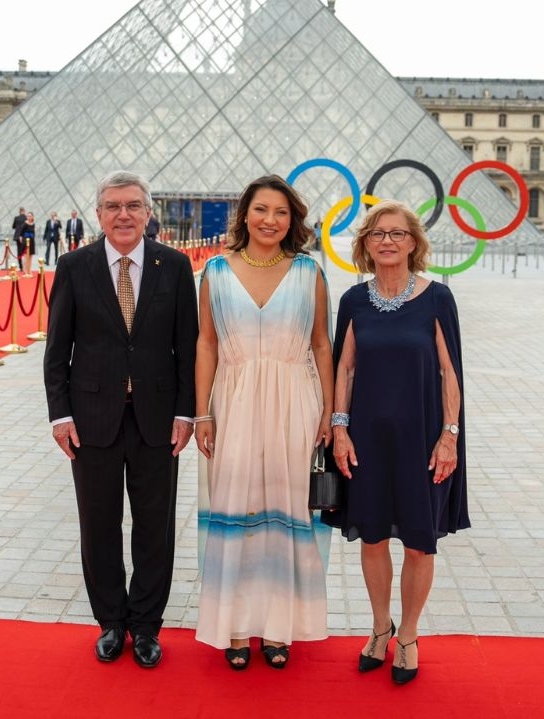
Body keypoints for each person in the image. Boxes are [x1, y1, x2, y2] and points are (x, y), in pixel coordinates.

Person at [44, 170, 197, 669]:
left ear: (148, 212)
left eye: (133, 205)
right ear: (99, 214)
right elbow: (57, 349)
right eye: (113, 206)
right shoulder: (74, 265)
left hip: (156, 418)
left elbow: (187, 347)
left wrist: (185, 411)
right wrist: (60, 415)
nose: (124, 214)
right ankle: (110, 621)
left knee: (155, 527)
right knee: (99, 525)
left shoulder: (173, 266)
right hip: (91, 419)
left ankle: (146, 625)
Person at [323, 200, 468, 686]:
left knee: (420, 544)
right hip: (366, 438)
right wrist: (339, 429)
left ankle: (408, 634)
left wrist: (449, 437)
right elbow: (344, 367)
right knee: (372, 536)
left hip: (423, 438)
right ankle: (379, 627)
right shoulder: (353, 301)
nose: (387, 241)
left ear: (414, 243)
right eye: (377, 234)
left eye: (398, 234)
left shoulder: (436, 298)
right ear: (364, 243)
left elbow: (451, 372)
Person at [193, 175, 333, 670]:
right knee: (237, 507)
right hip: (232, 401)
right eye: (261, 210)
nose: (270, 220)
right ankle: (233, 627)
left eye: (281, 212)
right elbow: (206, 343)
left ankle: (279, 629)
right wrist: (202, 412)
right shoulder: (214, 271)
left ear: (292, 220)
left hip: (296, 400)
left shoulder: (308, 272)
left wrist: (329, 414)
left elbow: (322, 344)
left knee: (285, 510)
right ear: (244, 215)